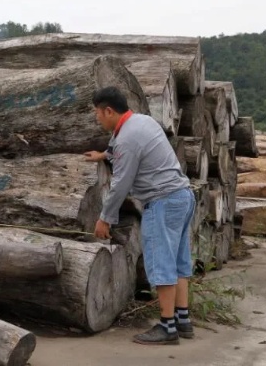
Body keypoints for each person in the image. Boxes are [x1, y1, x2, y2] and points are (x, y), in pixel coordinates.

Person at [84, 87, 195, 345]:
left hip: (162, 202)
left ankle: (167, 327)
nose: (97, 118)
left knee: (162, 264)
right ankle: (183, 320)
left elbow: (121, 183)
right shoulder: (141, 121)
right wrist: (104, 155)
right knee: (179, 262)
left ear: (109, 111)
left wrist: (105, 218)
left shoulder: (126, 138)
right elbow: (125, 149)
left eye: (97, 114)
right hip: (182, 196)